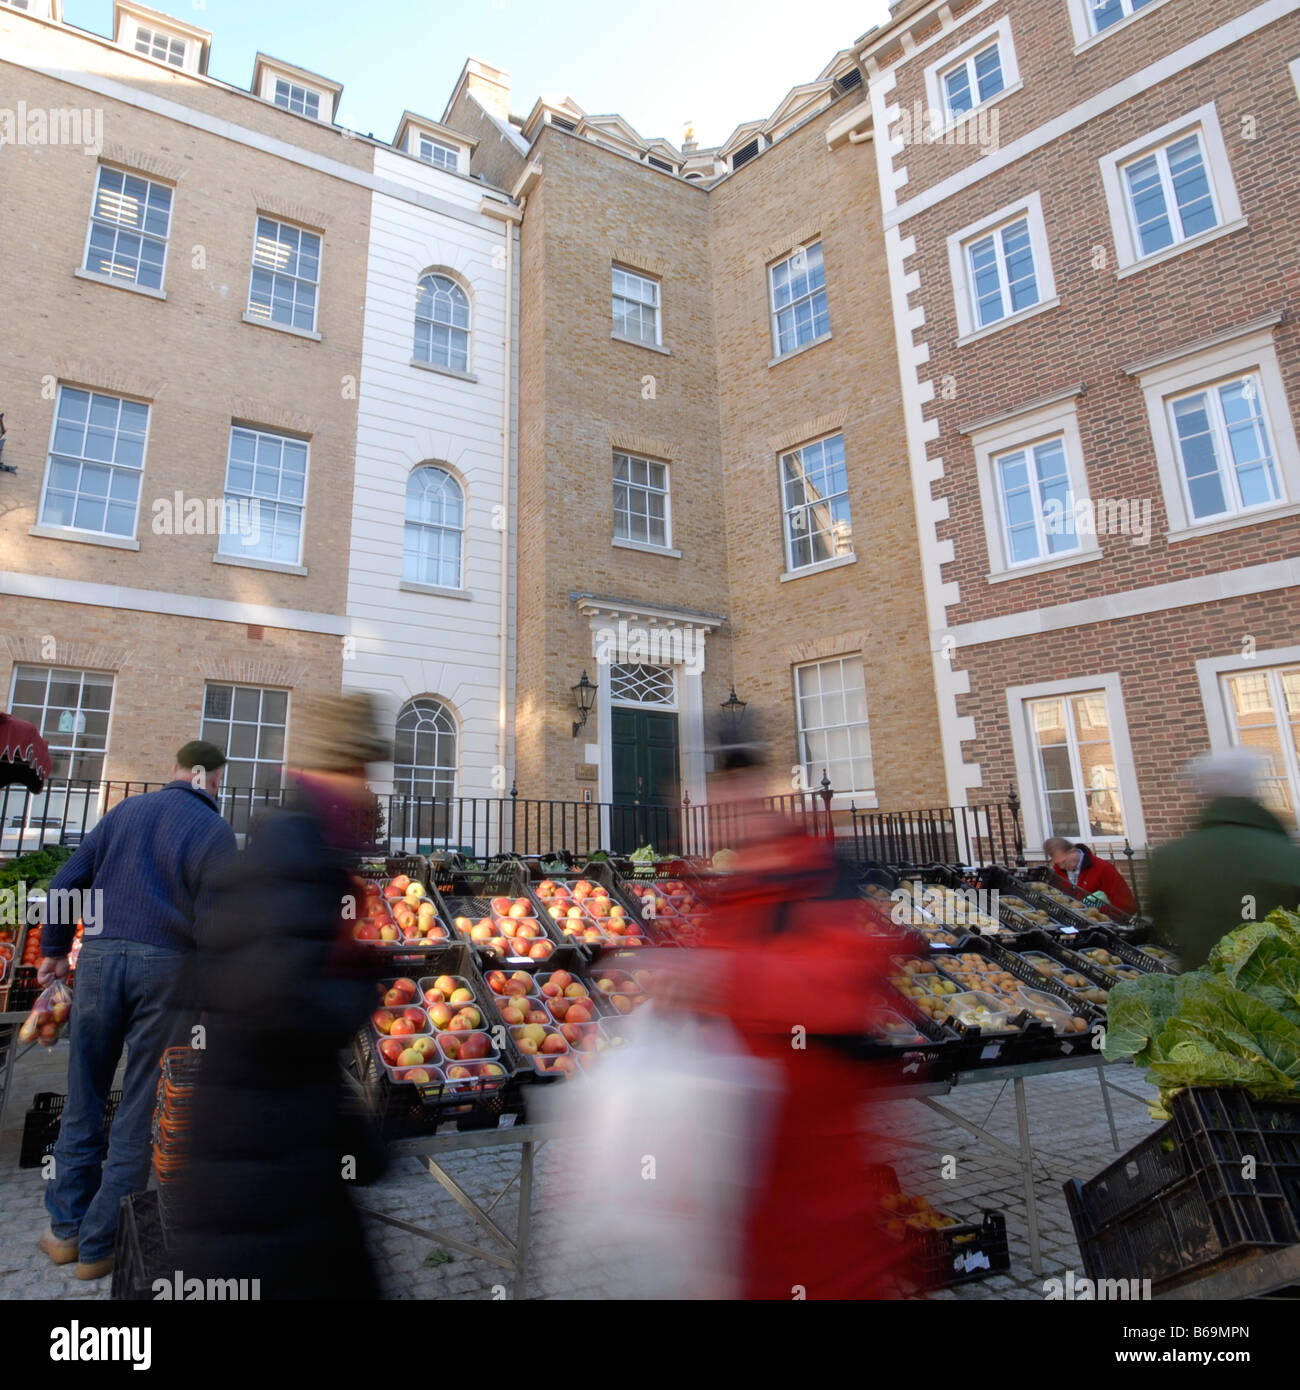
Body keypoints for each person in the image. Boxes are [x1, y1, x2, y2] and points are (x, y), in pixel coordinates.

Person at [654, 746, 900, 1299]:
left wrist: (725, 981)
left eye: (736, 791)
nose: (725, 808)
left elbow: (845, 982)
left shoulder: (820, 871)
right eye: (712, 797)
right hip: (747, 1180)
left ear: (760, 791)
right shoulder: (733, 890)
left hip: (819, 1178)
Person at [171, 693, 390, 1299]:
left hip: (279, 1165)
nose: (367, 792)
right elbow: (275, 1000)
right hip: (258, 1183)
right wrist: (361, 982)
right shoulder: (296, 852)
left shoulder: (300, 851)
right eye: (361, 773)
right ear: (337, 771)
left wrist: (356, 1141)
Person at [37, 741, 236, 1280]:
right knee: (141, 1107)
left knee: (84, 1095)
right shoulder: (214, 832)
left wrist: (54, 951)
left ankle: (63, 1230)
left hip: (99, 960)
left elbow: (64, 883)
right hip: (168, 971)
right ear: (212, 778)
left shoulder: (124, 811)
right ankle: (100, 1246)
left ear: (172, 769)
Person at [1147, 748, 1300, 969]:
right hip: (1280, 991)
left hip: (1206, 993)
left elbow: (1163, 926)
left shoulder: (1169, 859)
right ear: (1252, 788)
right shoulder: (1287, 857)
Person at [1042, 836, 1137, 915]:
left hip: (1104, 926)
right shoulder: (1057, 872)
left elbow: (1127, 907)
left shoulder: (1103, 868)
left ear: (1073, 851)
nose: (1062, 866)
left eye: (1064, 861)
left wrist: (1096, 913)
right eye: (1058, 863)